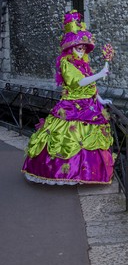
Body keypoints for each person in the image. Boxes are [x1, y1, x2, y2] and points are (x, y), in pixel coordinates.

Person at [22, 10, 114, 185]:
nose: (81, 52)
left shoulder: (84, 64)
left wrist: (101, 100)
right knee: (68, 141)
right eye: (79, 49)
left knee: (89, 142)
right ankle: (66, 174)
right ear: (71, 48)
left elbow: (90, 86)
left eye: (83, 49)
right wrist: (101, 73)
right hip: (71, 107)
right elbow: (78, 83)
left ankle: (88, 174)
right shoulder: (66, 63)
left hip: (90, 106)